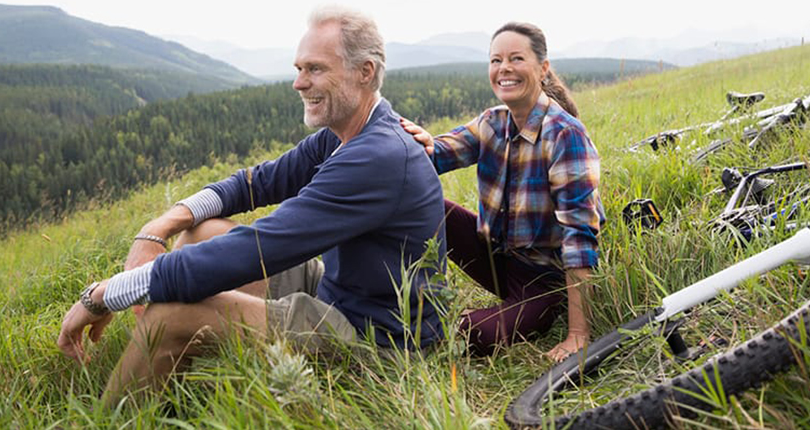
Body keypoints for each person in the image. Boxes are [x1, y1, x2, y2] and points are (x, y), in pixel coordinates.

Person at [57, 6, 447, 405]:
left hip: (378, 336)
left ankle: (113, 413)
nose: (298, 83)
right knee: (201, 231)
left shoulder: (376, 157)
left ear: (364, 72)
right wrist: (161, 225)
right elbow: (255, 183)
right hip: (342, 289)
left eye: (315, 69)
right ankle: (165, 377)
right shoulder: (347, 132)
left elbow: (258, 247)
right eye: (299, 68)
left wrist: (106, 294)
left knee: (169, 316)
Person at [401, 22, 604, 361]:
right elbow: (438, 153)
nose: (504, 69)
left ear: (543, 69)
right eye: (496, 61)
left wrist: (578, 334)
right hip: (498, 259)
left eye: (516, 59)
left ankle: (522, 315)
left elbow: (579, 238)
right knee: (424, 204)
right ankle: (395, 296)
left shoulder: (565, 135)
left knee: (469, 335)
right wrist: (415, 143)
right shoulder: (492, 122)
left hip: (545, 281)